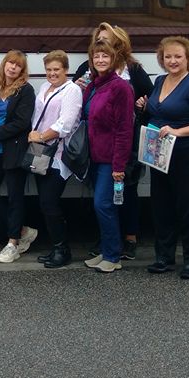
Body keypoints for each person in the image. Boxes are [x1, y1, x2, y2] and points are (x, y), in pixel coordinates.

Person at [72, 23, 152, 260]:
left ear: (118, 44)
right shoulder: (90, 71)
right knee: (103, 199)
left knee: (126, 192)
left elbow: (151, 97)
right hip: (97, 147)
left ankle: (128, 239)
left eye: (107, 40)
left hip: (124, 143)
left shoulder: (131, 72)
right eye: (99, 40)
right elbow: (77, 102)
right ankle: (109, 242)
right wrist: (76, 89)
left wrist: (144, 104)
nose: (102, 45)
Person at [144, 36, 189, 279]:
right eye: (168, 56)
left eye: (178, 56)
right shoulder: (160, 80)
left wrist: (177, 131)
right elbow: (156, 109)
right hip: (160, 154)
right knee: (161, 206)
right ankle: (164, 257)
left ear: (188, 59)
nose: (172, 61)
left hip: (188, 154)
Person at [0, 51, 38, 262]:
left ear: (22, 70)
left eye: (18, 65)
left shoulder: (25, 91)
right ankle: (22, 231)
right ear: (4, 64)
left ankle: (12, 244)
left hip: (15, 152)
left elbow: (22, 123)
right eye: (10, 63)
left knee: (15, 198)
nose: (13, 67)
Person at [82, 41, 134, 273]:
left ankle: (113, 256)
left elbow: (124, 129)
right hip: (94, 156)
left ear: (113, 60)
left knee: (103, 204)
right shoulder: (93, 85)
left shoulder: (120, 87)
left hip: (111, 159)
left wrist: (119, 165)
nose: (100, 60)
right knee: (102, 206)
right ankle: (106, 250)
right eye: (97, 56)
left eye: (105, 56)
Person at [28, 50, 82, 269]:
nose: (52, 73)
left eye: (56, 69)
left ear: (66, 70)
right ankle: (55, 247)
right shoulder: (44, 87)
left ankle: (63, 250)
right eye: (48, 69)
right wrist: (34, 136)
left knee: (50, 202)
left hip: (58, 154)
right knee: (44, 202)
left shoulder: (72, 90)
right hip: (40, 152)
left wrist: (40, 136)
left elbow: (65, 124)